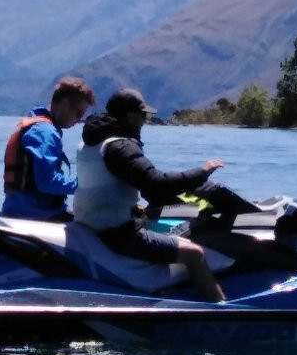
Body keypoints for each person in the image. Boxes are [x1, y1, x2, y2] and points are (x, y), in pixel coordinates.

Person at [73, 88, 227, 302]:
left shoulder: (91, 142)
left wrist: (176, 203)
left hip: (92, 225)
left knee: (162, 217)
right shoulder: (120, 147)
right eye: (142, 115)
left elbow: (140, 184)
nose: (145, 121)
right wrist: (202, 173)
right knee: (195, 254)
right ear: (129, 116)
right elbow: (156, 183)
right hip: (119, 234)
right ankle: (221, 311)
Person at [1, 77, 96, 221]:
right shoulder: (46, 133)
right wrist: (84, 185)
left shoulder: (36, 124)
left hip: (15, 208)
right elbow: (47, 181)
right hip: (37, 213)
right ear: (65, 104)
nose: (79, 120)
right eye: (79, 113)